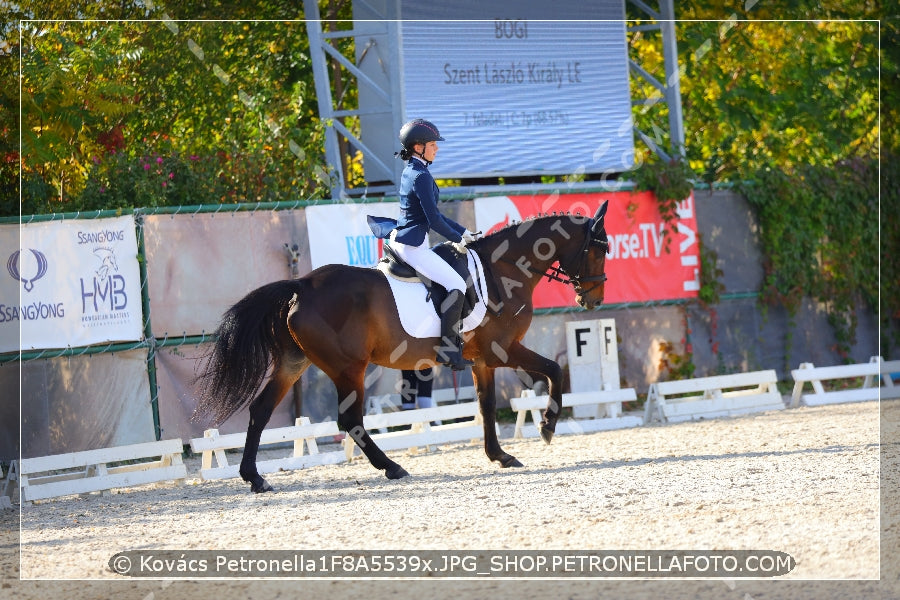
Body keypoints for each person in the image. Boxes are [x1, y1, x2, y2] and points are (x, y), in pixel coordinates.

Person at [369, 118, 479, 370]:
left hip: (405, 240)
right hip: (412, 247)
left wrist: (465, 231)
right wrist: (458, 238)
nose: (436, 148)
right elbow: (434, 220)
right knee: (457, 285)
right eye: (432, 144)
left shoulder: (414, 171)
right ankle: (449, 351)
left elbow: (436, 215)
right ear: (418, 147)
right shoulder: (420, 176)